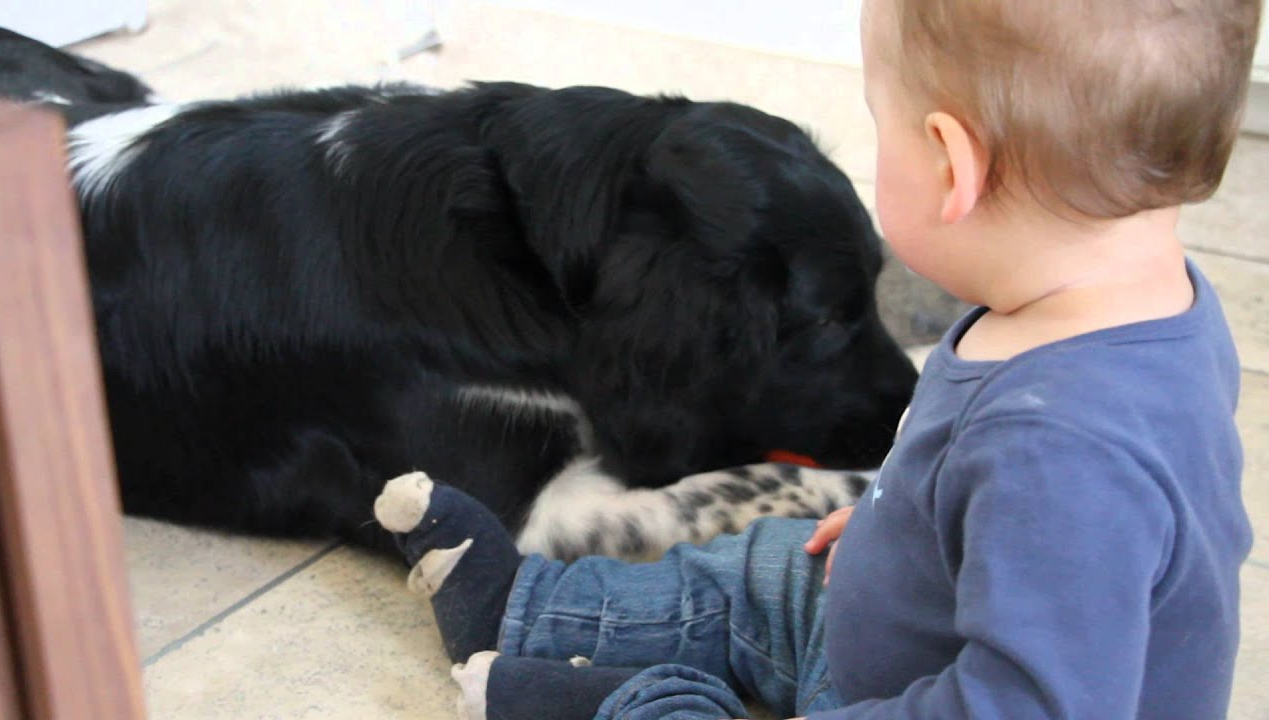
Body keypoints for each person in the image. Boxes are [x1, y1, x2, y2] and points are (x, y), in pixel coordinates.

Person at [371, 0, 1262, 717]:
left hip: (923, 698)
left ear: (953, 167)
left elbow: (1036, 702)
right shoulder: (1136, 303)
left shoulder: (1069, 449)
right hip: (898, 625)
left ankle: (620, 701)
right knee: (759, 567)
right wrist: (897, 526)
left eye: (885, 123)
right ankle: (526, 610)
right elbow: (991, 500)